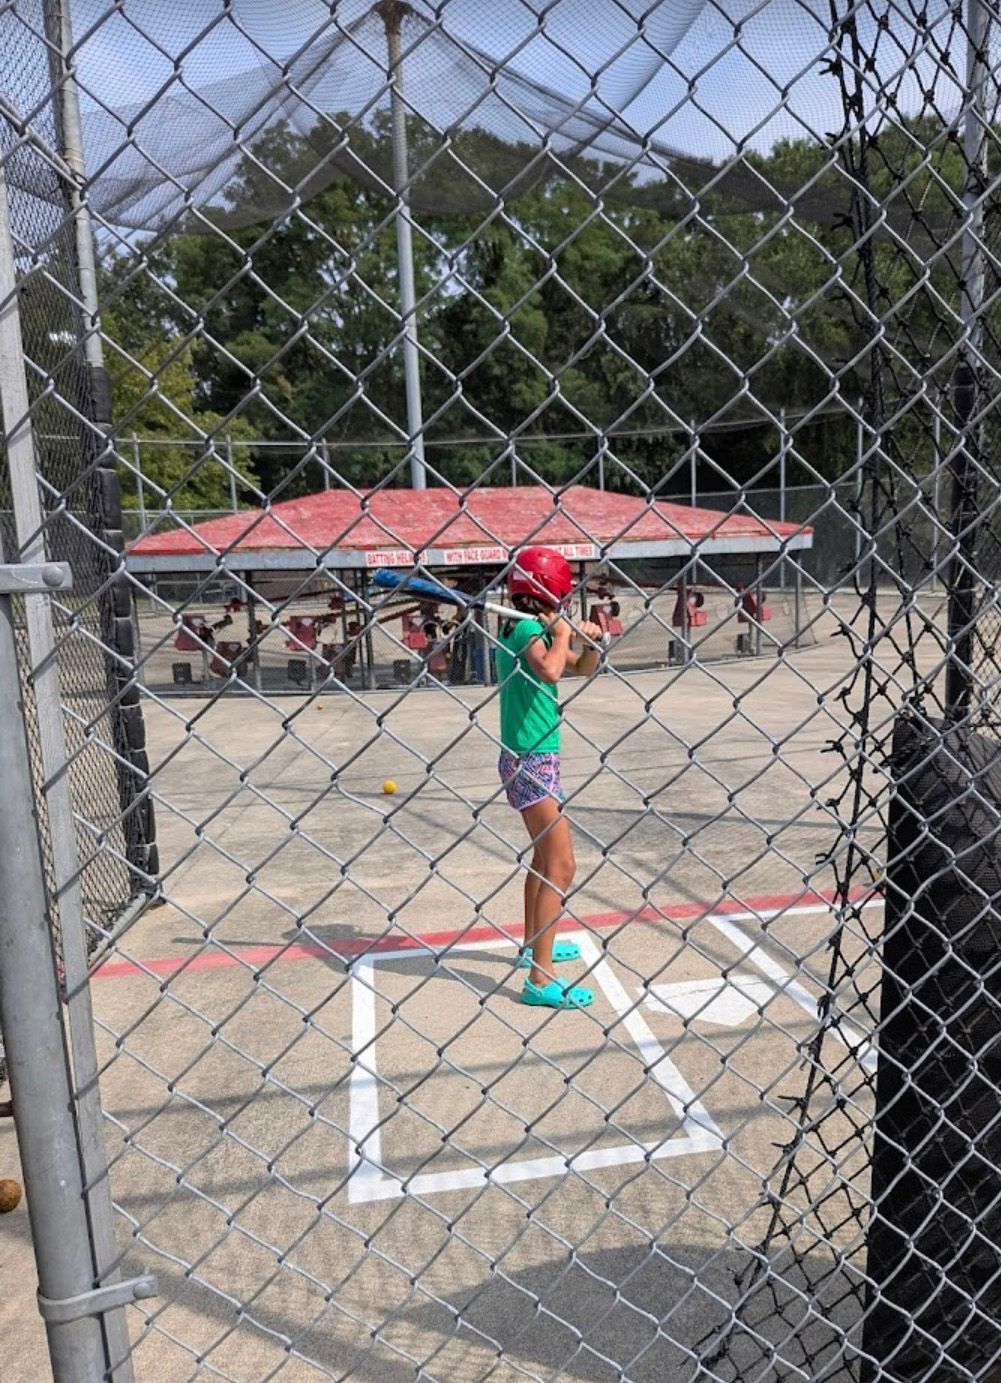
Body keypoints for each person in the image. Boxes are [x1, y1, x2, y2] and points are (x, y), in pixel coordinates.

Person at [496, 547, 604, 1010]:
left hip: (538, 758)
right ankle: (541, 978)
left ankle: (533, 943)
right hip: (530, 759)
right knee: (562, 864)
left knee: (544, 860)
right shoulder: (521, 627)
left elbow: (578, 668)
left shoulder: (534, 628)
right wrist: (561, 634)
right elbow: (552, 667)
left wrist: (591, 643)